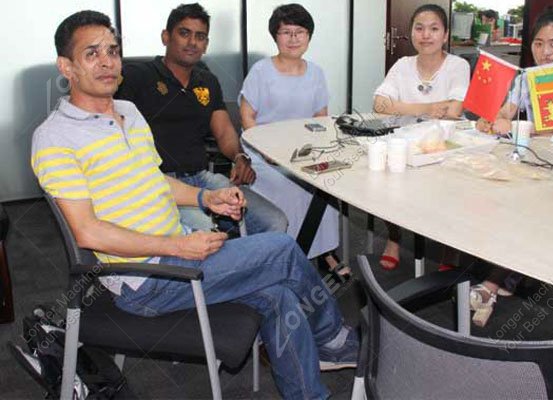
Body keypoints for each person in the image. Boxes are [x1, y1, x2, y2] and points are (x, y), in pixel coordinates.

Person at [32, 10, 357, 399]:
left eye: (113, 51)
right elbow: (87, 231)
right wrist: (176, 246)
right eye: (92, 54)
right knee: (283, 248)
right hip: (148, 281)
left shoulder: (129, 114)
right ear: (65, 66)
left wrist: (206, 197)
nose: (107, 62)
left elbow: (156, 182)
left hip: (178, 255)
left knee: (281, 297)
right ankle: (335, 339)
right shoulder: (54, 138)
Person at [473, 6, 553, 327]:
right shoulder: (526, 77)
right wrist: (493, 119)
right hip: (527, 160)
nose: (546, 52)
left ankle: (492, 284)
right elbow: (506, 111)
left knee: (524, 214)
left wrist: (522, 127)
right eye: (538, 44)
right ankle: (507, 275)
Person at [116, 3, 288, 236]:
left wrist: (239, 157)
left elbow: (224, 130)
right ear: (166, 37)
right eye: (184, 33)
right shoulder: (137, 76)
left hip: (202, 177)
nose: (192, 42)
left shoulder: (208, 81)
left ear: (206, 45)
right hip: (159, 183)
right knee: (207, 235)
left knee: (275, 222)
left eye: (200, 36)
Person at [239, 4, 349, 280]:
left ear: (309, 37)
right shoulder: (261, 71)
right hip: (264, 152)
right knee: (290, 186)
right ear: (275, 37)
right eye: (286, 32)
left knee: (327, 181)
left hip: (302, 150)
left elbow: (321, 118)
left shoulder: (316, 73)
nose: (293, 38)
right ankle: (289, 252)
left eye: (300, 32)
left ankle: (325, 251)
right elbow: (247, 117)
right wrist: (267, 152)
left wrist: (321, 149)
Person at [373, 4, 470, 270]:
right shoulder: (402, 66)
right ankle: (394, 237)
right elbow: (379, 104)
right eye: (419, 28)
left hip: (441, 148)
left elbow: (452, 112)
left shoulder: (457, 66)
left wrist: (401, 107)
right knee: (386, 181)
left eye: (434, 28)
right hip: (404, 143)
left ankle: (449, 248)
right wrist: (426, 108)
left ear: (446, 35)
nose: (426, 35)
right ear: (411, 33)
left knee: (450, 192)